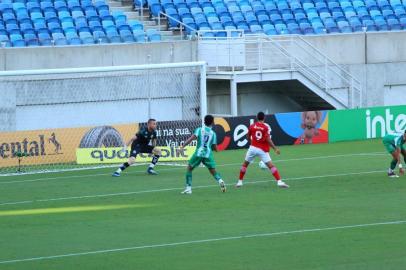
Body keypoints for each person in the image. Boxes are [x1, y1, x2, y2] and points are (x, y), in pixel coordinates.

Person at [236, 112, 289, 188]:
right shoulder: (265, 127)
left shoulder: (252, 126)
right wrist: (275, 148)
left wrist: (251, 143)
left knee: (245, 165)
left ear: (257, 117)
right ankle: (279, 182)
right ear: (264, 118)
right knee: (271, 166)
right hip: (262, 149)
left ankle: (239, 182)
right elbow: (268, 139)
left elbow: (248, 136)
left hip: (252, 148)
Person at [180, 115, 226, 194]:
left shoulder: (199, 130)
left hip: (199, 153)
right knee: (213, 171)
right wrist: (217, 150)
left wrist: (183, 146)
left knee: (189, 168)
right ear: (212, 122)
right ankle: (220, 180)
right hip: (208, 154)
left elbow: (191, 139)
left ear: (204, 121)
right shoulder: (213, 133)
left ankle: (188, 188)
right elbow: (215, 147)